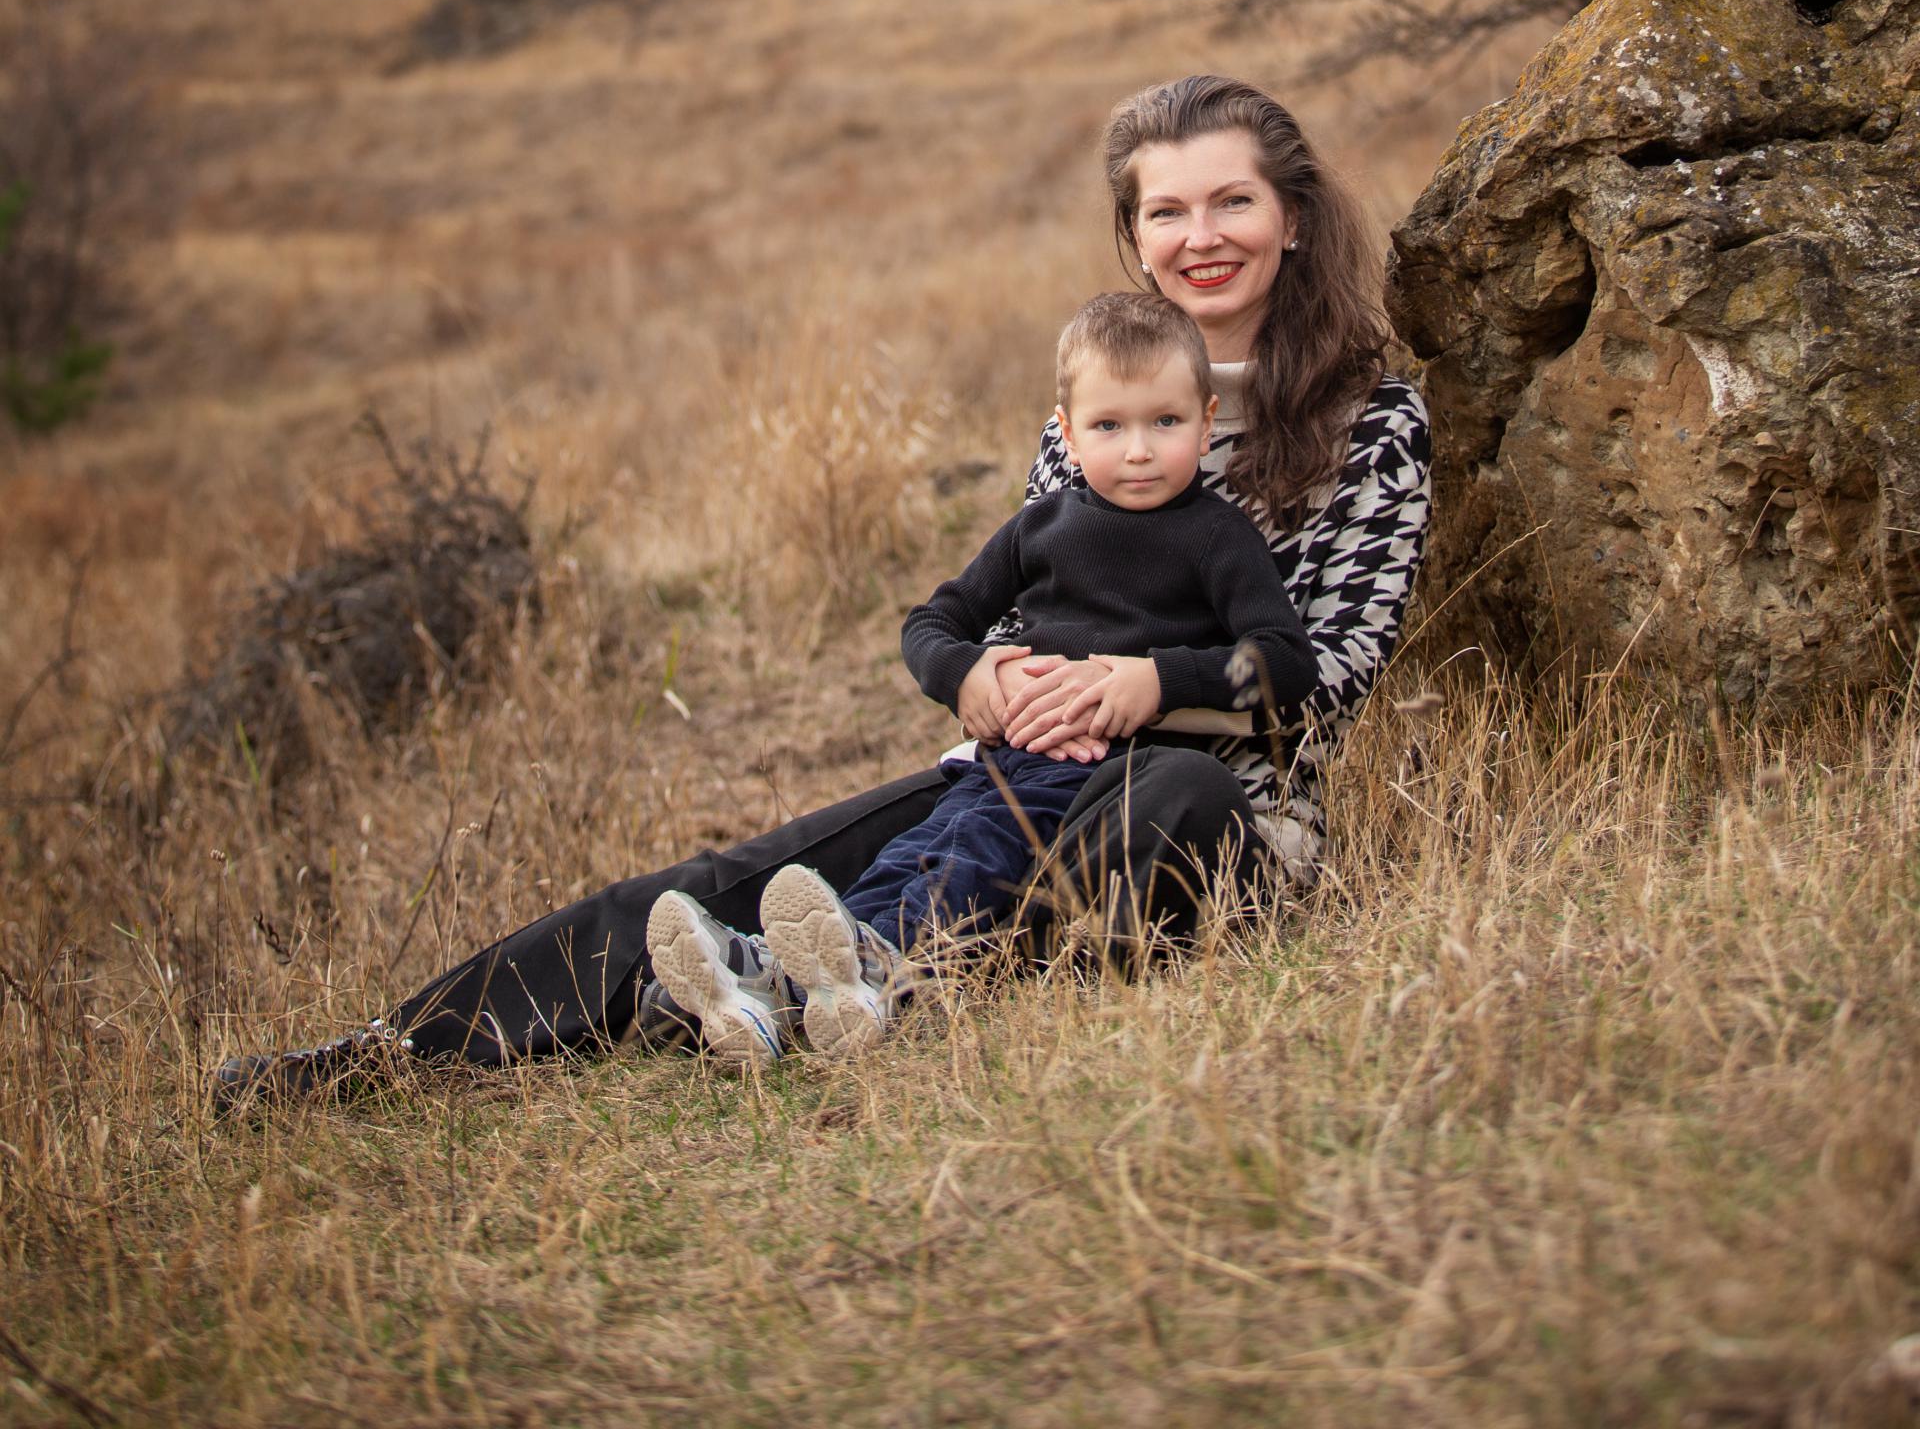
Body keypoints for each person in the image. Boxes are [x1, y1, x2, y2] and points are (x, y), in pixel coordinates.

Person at [215, 71, 1430, 1108]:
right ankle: (396, 1054)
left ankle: (845, 974)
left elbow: (1328, 685)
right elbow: (1011, 609)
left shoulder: (1371, 421)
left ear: (1295, 220)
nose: (1200, 234)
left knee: (1168, 799)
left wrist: (1138, 686)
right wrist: (988, 679)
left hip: (1202, 804)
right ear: (1135, 234)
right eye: (1167, 210)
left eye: (1233, 201)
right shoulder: (1105, 397)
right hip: (1024, 775)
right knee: (716, 880)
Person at [642, 286, 1318, 1064]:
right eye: (1109, 425)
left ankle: (852, 975)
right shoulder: (1042, 527)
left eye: (1164, 423)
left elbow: (1284, 658)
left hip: (1114, 773)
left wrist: (1157, 680)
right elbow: (931, 623)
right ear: (1065, 432)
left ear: (1205, 421)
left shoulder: (1217, 538)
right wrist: (968, 678)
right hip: (1003, 762)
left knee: (975, 858)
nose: (1138, 449)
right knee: (922, 851)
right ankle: (788, 987)